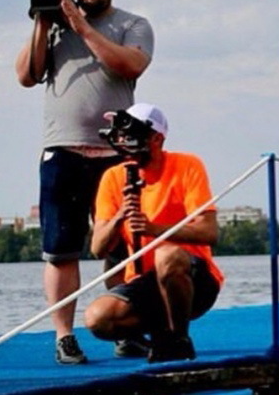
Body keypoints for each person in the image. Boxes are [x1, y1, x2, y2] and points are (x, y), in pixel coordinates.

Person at [15, 0, 155, 364]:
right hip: (63, 149)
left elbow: (127, 66)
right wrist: (43, 23)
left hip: (116, 151)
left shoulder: (132, 25)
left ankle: (124, 328)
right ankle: (64, 336)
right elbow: (26, 75)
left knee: (120, 244)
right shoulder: (55, 26)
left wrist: (80, 24)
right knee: (60, 249)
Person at [84, 103, 223, 363]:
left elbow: (209, 232)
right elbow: (97, 248)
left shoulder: (187, 165)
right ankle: (160, 331)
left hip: (193, 278)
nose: (124, 142)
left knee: (166, 256)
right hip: (143, 280)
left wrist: (154, 230)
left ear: (157, 138)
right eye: (121, 135)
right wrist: (119, 217)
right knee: (98, 319)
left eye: (132, 134)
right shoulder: (113, 177)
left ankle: (178, 339)